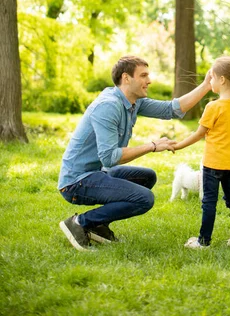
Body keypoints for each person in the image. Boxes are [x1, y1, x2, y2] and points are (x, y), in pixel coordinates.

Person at [58, 55, 211, 251]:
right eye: (143, 75)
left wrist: (206, 85)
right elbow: (110, 158)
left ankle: (98, 226)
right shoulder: (108, 106)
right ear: (126, 78)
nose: (149, 80)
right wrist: (151, 146)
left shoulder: (133, 101)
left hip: (96, 173)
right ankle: (80, 223)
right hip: (76, 181)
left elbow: (171, 109)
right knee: (144, 198)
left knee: (147, 177)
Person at [171, 56, 230, 248]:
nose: (209, 81)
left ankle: (203, 242)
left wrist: (178, 145)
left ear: (221, 80)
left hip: (212, 165)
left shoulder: (213, 107)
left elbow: (198, 135)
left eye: (211, 78)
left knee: (209, 203)